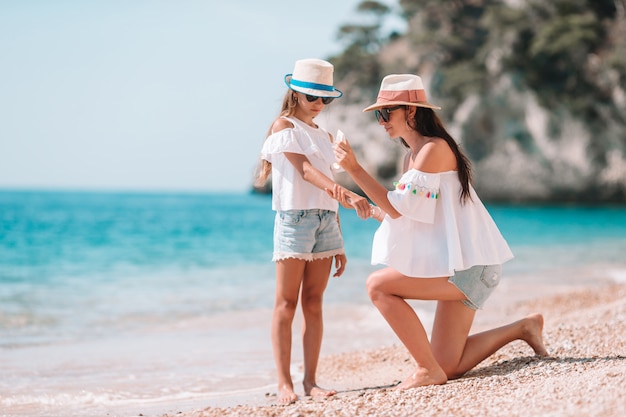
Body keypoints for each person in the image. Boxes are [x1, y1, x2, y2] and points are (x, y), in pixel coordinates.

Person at [330, 74, 548, 390]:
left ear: (412, 112)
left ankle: (423, 369)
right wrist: (367, 208)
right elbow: (408, 216)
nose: (381, 122)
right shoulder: (412, 156)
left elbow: (399, 208)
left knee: (378, 286)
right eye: (379, 115)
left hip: (472, 269)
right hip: (463, 266)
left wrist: (354, 169)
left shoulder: (434, 149)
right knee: (448, 365)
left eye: (386, 113)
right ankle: (523, 328)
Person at [256, 58, 371, 405]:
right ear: (296, 93)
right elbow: (305, 171)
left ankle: (310, 381)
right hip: (294, 220)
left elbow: (327, 180)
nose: (319, 105)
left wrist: (338, 236)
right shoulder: (283, 126)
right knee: (286, 303)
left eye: (325, 99)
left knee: (314, 303)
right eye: (312, 97)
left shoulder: (322, 135)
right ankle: (283, 383)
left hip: (326, 220)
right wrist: (346, 193)